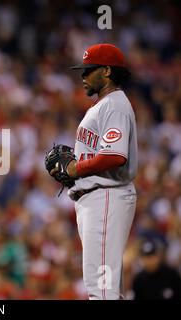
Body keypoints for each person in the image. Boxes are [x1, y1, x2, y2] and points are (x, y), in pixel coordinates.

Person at [64, 43, 138, 299]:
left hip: (106, 195)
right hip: (98, 197)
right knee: (105, 289)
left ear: (106, 71)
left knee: (102, 290)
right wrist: (73, 167)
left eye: (89, 70)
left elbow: (115, 155)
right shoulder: (103, 105)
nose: (83, 76)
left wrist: (76, 169)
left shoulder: (114, 104)